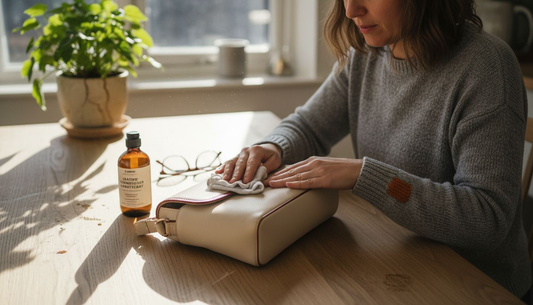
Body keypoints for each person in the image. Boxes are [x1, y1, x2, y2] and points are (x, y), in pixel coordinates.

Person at [216, 0, 532, 299]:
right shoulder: (367, 53)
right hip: (395, 257)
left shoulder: (486, 66)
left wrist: (365, 175)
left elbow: (487, 217)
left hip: (475, 285)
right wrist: (274, 146)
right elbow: (310, 125)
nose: (351, 10)